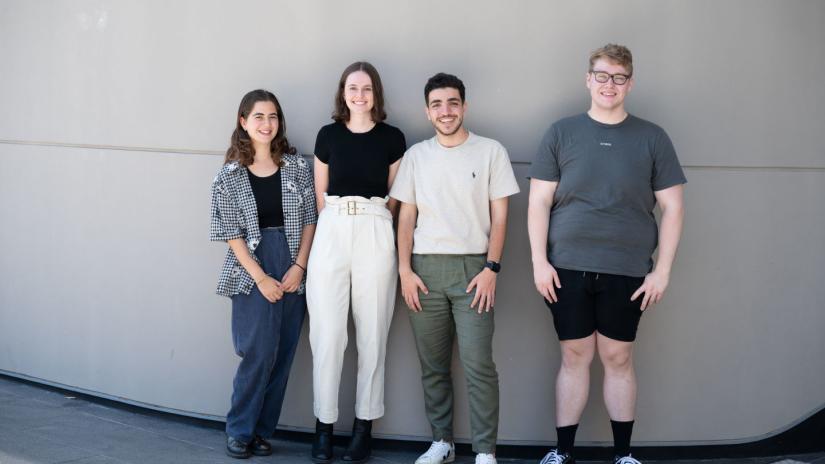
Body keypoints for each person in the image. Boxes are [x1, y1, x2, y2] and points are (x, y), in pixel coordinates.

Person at [527, 44, 686, 464]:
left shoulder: (652, 137)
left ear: (629, 83)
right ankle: (562, 453)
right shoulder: (561, 133)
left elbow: (673, 207)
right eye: (601, 75)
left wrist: (663, 272)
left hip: (627, 269)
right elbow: (539, 202)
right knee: (574, 355)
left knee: (618, 356)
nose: (608, 84)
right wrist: (539, 262)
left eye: (618, 77)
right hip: (566, 269)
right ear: (588, 79)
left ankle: (624, 456)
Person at [391, 73, 520, 464]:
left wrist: (492, 268)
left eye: (452, 103)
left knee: (479, 364)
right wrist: (404, 271)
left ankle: (485, 451)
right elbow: (406, 218)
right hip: (424, 272)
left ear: (464, 106)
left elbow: (500, 218)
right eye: (437, 105)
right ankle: (442, 442)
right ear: (427, 112)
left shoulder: (491, 151)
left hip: (474, 271)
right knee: (432, 365)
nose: (445, 111)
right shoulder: (416, 155)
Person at [306, 61, 406, 463]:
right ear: (342, 92)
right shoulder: (327, 135)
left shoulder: (393, 138)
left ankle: (363, 428)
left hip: (376, 228)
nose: (359, 95)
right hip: (332, 228)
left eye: (366, 88)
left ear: (376, 94)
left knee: (373, 334)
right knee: (327, 335)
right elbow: (320, 195)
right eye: (352, 88)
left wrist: (374, 221)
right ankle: (323, 428)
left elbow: (396, 195)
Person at [210, 89, 317, 459]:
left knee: (283, 351)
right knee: (257, 351)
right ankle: (239, 429)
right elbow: (230, 233)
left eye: (272, 117)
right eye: (258, 116)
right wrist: (260, 277)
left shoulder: (296, 166)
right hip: (251, 266)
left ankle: (260, 430)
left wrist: (299, 266)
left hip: (292, 262)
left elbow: (309, 221)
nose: (266, 124)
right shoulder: (229, 176)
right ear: (243, 121)